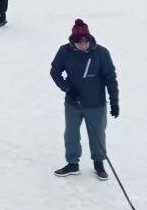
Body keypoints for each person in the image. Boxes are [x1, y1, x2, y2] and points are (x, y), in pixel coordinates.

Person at [50, 19, 119, 180]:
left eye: (85, 41)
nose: (83, 45)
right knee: (71, 134)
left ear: (89, 38)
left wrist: (114, 102)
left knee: (97, 135)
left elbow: (111, 78)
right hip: (73, 103)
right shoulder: (64, 51)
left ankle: (99, 163)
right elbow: (55, 72)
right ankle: (73, 163)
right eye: (79, 43)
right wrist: (67, 88)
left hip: (96, 104)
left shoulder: (101, 53)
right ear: (73, 42)